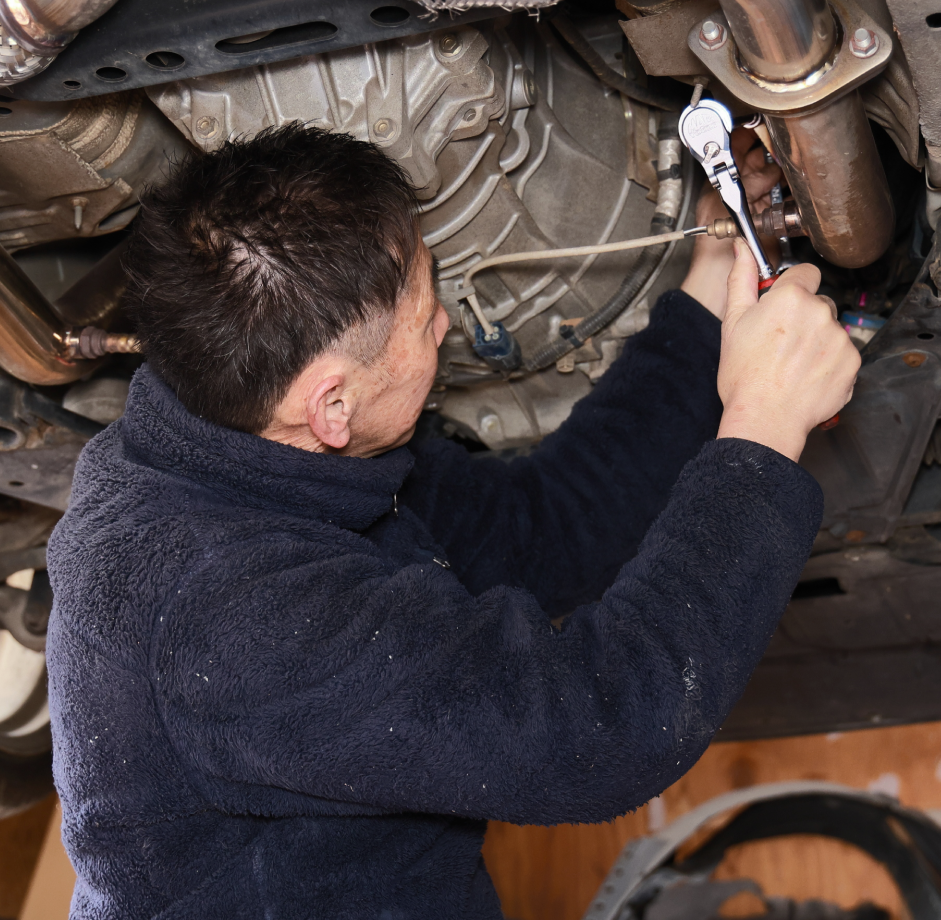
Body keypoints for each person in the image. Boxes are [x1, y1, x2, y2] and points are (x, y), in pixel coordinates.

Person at [44, 124, 859, 919]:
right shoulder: (239, 620)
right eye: (426, 314)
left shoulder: (254, 438)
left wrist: (714, 273)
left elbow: (540, 531)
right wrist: (762, 427)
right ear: (330, 403)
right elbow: (601, 722)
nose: (445, 327)